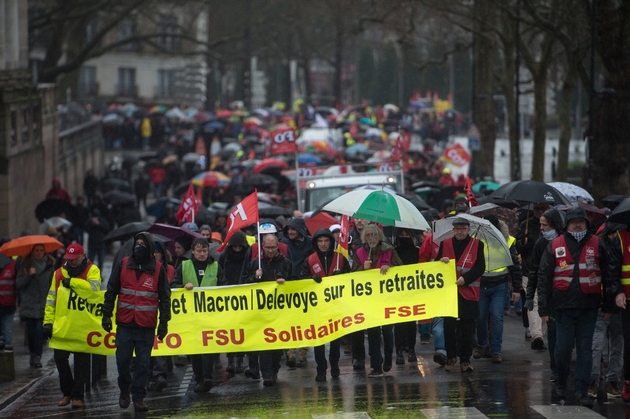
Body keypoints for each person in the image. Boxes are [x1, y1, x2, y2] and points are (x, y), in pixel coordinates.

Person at [538, 208, 614, 406]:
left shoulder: (597, 243)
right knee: (562, 350)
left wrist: (607, 304)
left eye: (581, 222)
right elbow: (544, 277)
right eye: (574, 222)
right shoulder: (556, 245)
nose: (578, 225)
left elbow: (608, 274)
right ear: (567, 224)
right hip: (562, 308)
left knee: (585, 351)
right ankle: (561, 382)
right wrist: (543, 309)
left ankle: (581, 391)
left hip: (589, 307)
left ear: (586, 224)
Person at [102, 232, 171, 412]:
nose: (139, 246)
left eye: (142, 244)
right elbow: (111, 290)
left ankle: (138, 397)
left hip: (146, 326)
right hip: (125, 323)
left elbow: (165, 297)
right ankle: (124, 388)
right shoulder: (123, 264)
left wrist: (164, 323)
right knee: (122, 361)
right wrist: (106, 314)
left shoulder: (157, 269)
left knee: (143, 363)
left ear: (149, 247)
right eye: (137, 243)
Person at [43, 244, 101, 409]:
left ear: (83, 256)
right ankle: (67, 393)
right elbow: (51, 299)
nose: (73, 262)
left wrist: (73, 282)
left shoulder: (92, 270)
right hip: (63, 325)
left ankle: (77, 396)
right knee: (60, 359)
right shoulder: (59, 273)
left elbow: (94, 290)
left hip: (83, 326)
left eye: (76, 259)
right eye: (70, 259)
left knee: (82, 363)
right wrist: (47, 322)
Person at [172, 238, 225, 392]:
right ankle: (199, 378)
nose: (202, 254)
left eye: (205, 251)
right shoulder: (184, 266)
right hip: (191, 316)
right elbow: (173, 285)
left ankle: (207, 377)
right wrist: (182, 286)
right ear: (193, 251)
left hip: (210, 315)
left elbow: (225, 286)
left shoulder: (215, 266)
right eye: (199, 251)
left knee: (208, 347)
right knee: (195, 349)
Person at [299, 228, 350, 381]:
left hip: (336, 306)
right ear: (316, 243)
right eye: (320, 241)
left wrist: (342, 276)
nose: (323, 244)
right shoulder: (309, 260)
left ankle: (334, 365)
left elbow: (352, 280)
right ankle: (321, 370)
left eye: (326, 241)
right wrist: (310, 278)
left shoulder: (341, 259)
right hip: (318, 306)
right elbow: (301, 280)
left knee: (335, 340)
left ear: (331, 242)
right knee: (319, 340)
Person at [243, 234, 294, 386]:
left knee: (277, 345)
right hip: (261, 313)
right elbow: (243, 284)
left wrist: (286, 283)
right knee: (265, 343)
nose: (270, 250)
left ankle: (274, 369)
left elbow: (297, 282)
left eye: (273, 247)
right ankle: (266, 374)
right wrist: (254, 277)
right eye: (267, 247)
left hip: (280, 312)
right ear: (262, 247)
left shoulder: (285, 263)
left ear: (278, 247)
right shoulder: (255, 264)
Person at [436, 216, 485, 373]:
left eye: (463, 229)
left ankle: (465, 360)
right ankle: (451, 357)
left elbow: (480, 267)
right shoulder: (445, 244)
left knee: (467, 329)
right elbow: (435, 267)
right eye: (457, 229)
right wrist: (440, 262)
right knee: (449, 327)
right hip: (449, 294)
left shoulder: (477, 245)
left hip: (468, 293)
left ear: (468, 230)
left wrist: (466, 279)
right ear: (453, 230)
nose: (460, 231)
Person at [352, 224, 403, 377]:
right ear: (364, 238)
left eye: (373, 235)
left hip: (386, 299)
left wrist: (390, 267)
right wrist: (363, 267)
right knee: (373, 333)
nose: (370, 238)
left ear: (379, 236)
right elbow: (352, 275)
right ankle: (376, 365)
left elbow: (402, 269)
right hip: (369, 300)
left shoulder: (389, 250)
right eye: (367, 235)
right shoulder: (360, 253)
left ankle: (388, 358)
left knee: (387, 331)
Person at [473, 215, 522, 364]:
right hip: (481, 285)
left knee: (497, 318)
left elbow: (514, 265)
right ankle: (482, 344)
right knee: (480, 317)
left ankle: (496, 350)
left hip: (500, 285)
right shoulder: (476, 240)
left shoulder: (508, 241)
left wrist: (517, 288)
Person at [524, 208, 565, 382]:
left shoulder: (565, 242)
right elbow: (534, 270)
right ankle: (556, 368)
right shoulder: (541, 243)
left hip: (565, 294)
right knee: (554, 333)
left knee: (565, 335)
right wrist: (529, 296)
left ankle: (563, 366)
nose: (541, 228)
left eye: (544, 225)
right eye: (540, 224)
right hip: (548, 294)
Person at [16, 244, 56, 368]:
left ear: (45, 252)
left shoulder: (50, 266)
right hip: (29, 303)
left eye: (41, 250)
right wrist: (29, 275)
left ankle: (37, 356)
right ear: (32, 252)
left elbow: (53, 284)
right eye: (36, 250)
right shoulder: (26, 265)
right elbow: (18, 284)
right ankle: (32, 353)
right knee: (31, 332)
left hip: (43, 303)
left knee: (39, 331)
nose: (39, 253)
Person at [517, 202, 550, 346]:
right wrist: (522, 243)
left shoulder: (553, 226)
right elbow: (517, 247)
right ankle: (537, 335)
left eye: (543, 208)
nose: (540, 211)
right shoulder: (526, 225)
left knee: (545, 301)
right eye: (537, 209)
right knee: (534, 302)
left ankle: (540, 332)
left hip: (548, 270)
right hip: (529, 269)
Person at [218, 231, 249, 375]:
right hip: (228, 297)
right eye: (234, 247)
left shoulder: (247, 256)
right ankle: (230, 359)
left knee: (241, 329)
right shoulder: (225, 257)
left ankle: (240, 359)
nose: (237, 249)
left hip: (243, 297)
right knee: (229, 329)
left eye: (239, 247)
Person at [394, 228, 421, 364]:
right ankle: (399, 351)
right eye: (401, 234)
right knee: (398, 323)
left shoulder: (417, 251)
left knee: (411, 323)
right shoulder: (394, 252)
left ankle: (411, 349)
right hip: (397, 291)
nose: (404, 237)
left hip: (412, 291)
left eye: (406, 234)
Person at [0, 238, 17, 350]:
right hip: (7, 302)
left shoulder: (14, 264)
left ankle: (6, 355)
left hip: (8, 303)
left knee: (7, 331)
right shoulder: (13, 264)